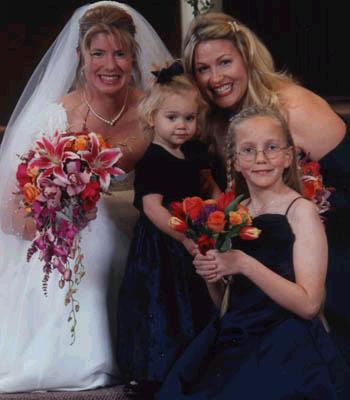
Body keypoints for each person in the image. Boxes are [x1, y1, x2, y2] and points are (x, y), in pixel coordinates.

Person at [0, 1, 171, 392]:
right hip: (71, 232)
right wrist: (51, 216)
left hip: (144, 224)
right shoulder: (54, 116)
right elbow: (10, 204)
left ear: (134, 57)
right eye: (98, 53)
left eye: (120, 53)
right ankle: (81, 351)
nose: (109, 65)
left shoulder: (155, 110)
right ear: (80, 57)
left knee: (111, 226)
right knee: (92, 235)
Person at [183, 11, 350, 363]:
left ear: (247, 58)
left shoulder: (295, 109)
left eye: (225, 62)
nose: (215, 78)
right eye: (203, 69)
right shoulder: (218, 119)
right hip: (278, 245)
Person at [156, 106, 350, 400]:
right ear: (235, 161)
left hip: (286, 338)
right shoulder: (235, 212)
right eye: (248, 150)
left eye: (271, 148)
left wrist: (244, 264)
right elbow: (225, 301)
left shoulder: (300, 211)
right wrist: (212, 274)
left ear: (288, 156)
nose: (260, 158)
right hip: (238, 330)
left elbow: (310, 304)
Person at [116, 61, 220, 399]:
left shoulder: (193, 151)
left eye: (189, 119)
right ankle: (153, 372)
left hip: (193, 236)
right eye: (171, 118)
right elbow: (152, 208)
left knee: (194, 301)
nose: (181, 126)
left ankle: (195, 363)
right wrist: (183, 237)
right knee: (161, 305)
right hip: (162, 246)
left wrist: (222, 209)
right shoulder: (154, 159)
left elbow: (210, 187)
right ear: (152, 118)